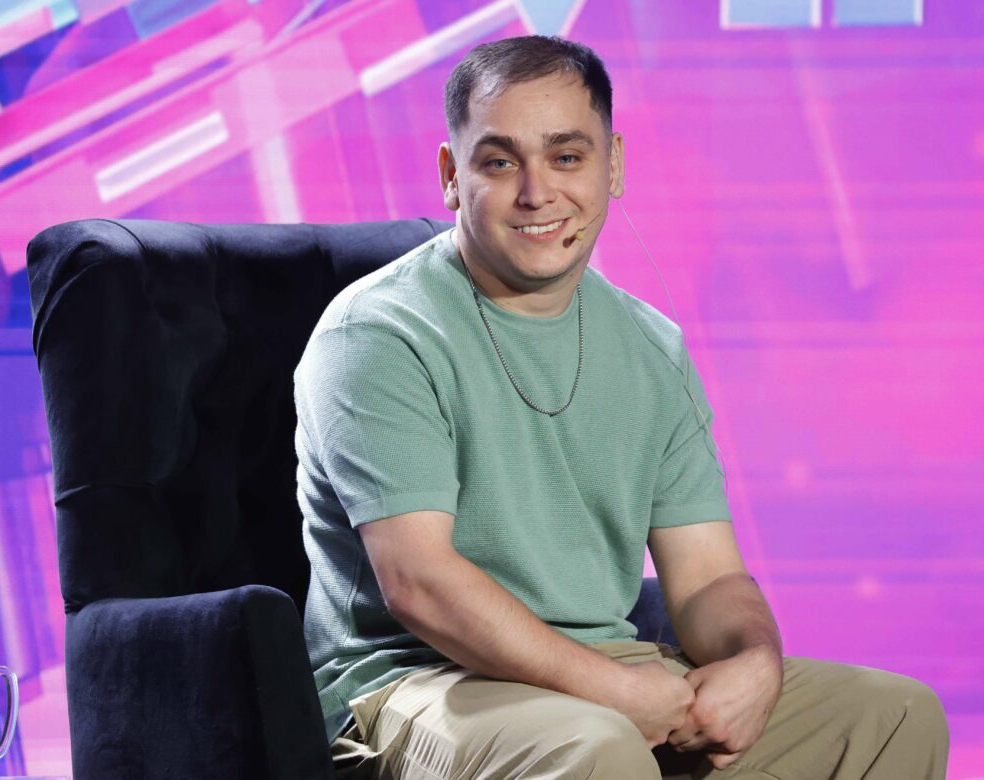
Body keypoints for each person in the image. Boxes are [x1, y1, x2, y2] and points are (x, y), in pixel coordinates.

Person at [294, 35, 949, 779]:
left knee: (894, 716)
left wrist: (755, 666)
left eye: (567, 156)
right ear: (451, 175)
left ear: (613, 166)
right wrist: (613, 692)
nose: (537, 193)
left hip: (609, 669)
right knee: (597, 747)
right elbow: (421, 584)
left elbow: (707, 579)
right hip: (414, 685)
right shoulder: (379, 334)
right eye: (500, 162)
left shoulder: (651, 345)